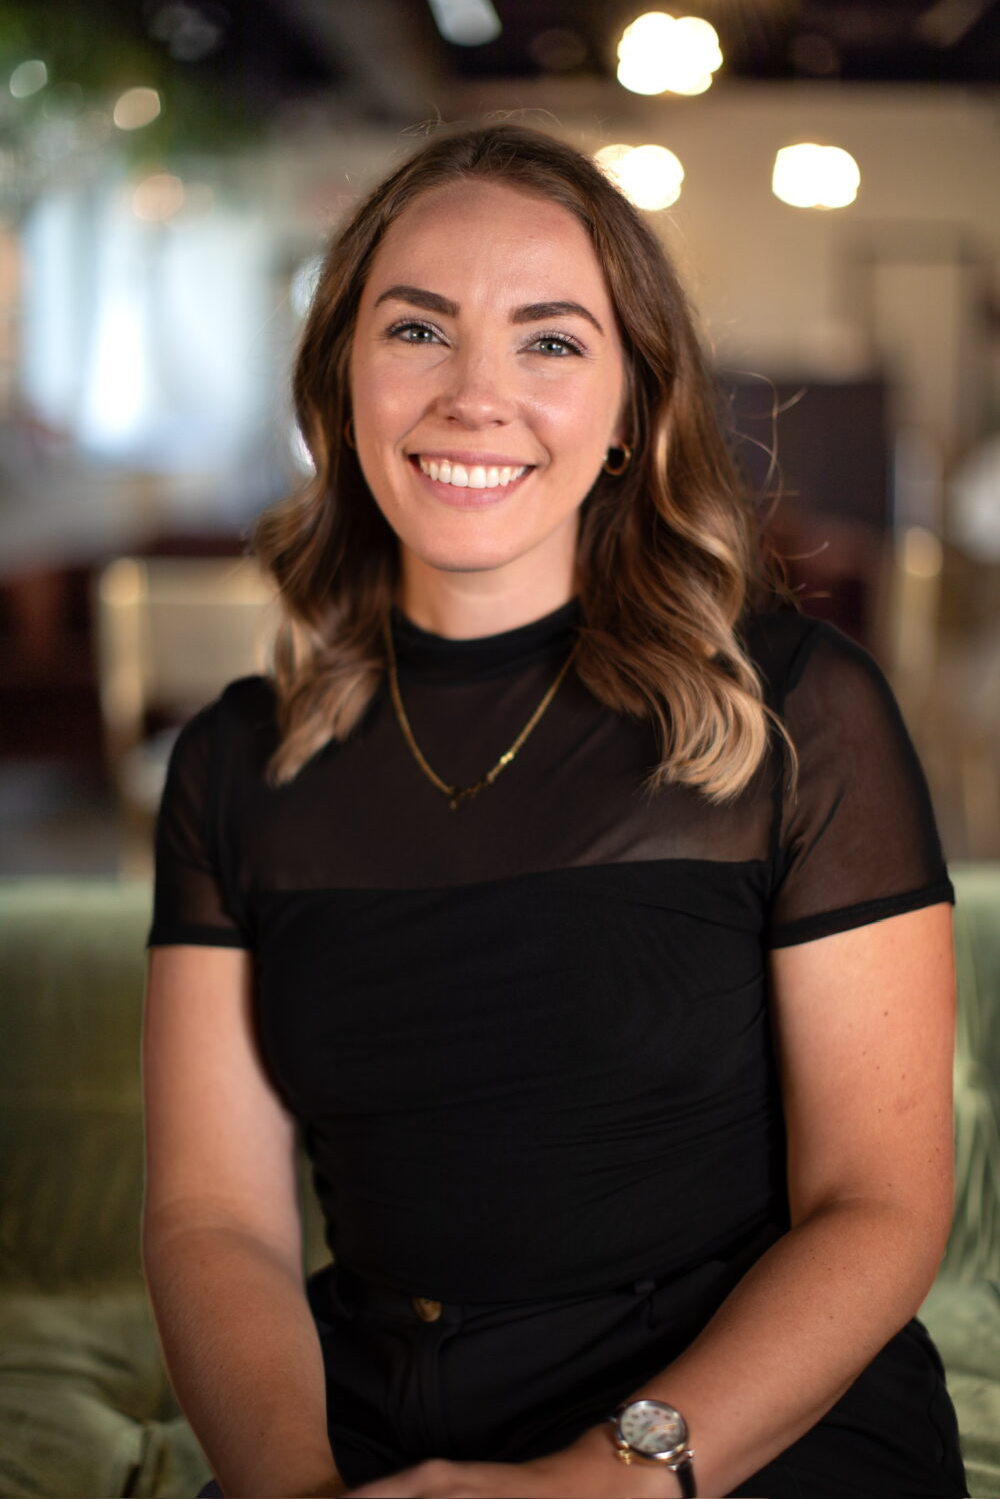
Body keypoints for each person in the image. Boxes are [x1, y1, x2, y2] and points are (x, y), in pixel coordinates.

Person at [142, 123, 968, 1499]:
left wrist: (605, 1479)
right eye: (418, 330)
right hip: (373, 1418)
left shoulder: (803, 713)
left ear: (633, 406)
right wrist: (291, 1489)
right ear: (343, 379)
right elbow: (214, 1217)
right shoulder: (236, 765)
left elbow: (876, 1207)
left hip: (735, 1424)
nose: (477, 394)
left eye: (550, 341)